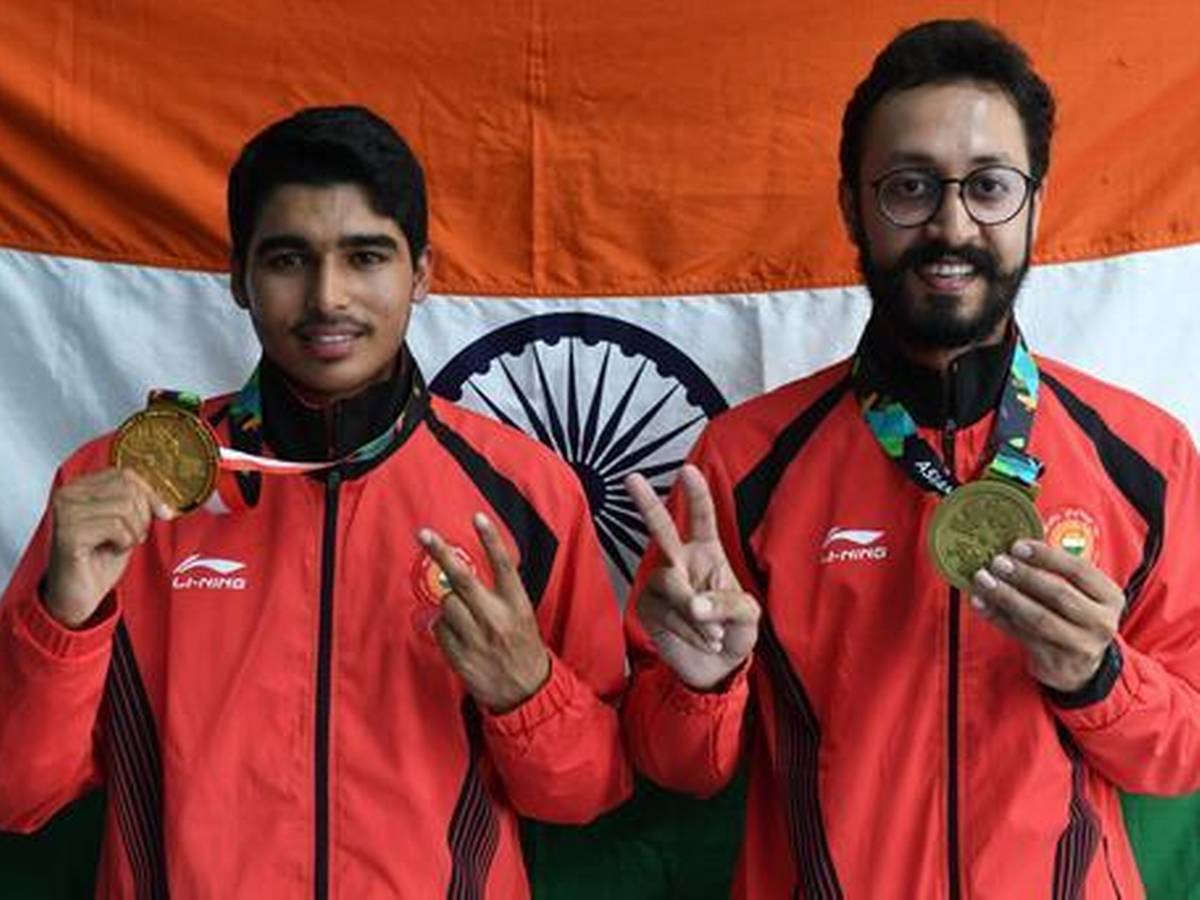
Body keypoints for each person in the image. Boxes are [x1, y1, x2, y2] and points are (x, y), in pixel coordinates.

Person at [622, 19, 1200, 899]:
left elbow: (1183, 756)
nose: (952, 225)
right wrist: (703, 682)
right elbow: (677, 768)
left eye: (990, 186)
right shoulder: (743, 462)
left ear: (1036, 203)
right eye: (910, 187)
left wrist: (1099, 676)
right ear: (854, 205)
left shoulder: (1144, 456)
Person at [0, 105, 631, 898]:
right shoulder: (116, 492)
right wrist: (65, 621)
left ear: (423, 272)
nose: (328, 296)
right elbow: (18, 796)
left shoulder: (524, 494)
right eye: (289, 259)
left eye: (365, 256)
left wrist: (527, 692)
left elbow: (585, 793)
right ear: (239, 278)